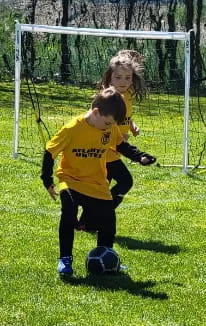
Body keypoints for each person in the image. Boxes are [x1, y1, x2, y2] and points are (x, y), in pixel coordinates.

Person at [41, 87, 156, 275]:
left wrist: (140, 157)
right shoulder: (72, 129)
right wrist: (47, 180)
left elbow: (121, 145)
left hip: (97, 183)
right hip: (71, 179)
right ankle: (65, 259)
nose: (109, 127)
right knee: (69, 209)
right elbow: (49, 152)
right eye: (107, 123)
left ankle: (107, 253)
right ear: (95, 112)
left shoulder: (108, 129)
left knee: (108, 218)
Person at [77, 51, 147, 230]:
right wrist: (116, 135)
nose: (123, 82)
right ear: (110, 78)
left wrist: (131, 125)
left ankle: (86, 222)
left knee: (101, 187)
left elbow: (123, 116)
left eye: (127, 77)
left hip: (115, 149)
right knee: (125, 182)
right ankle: (102, 214)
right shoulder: (107, 98)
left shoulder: (127, 95)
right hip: (105, 150)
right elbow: (96, 121)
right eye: (118, 77)